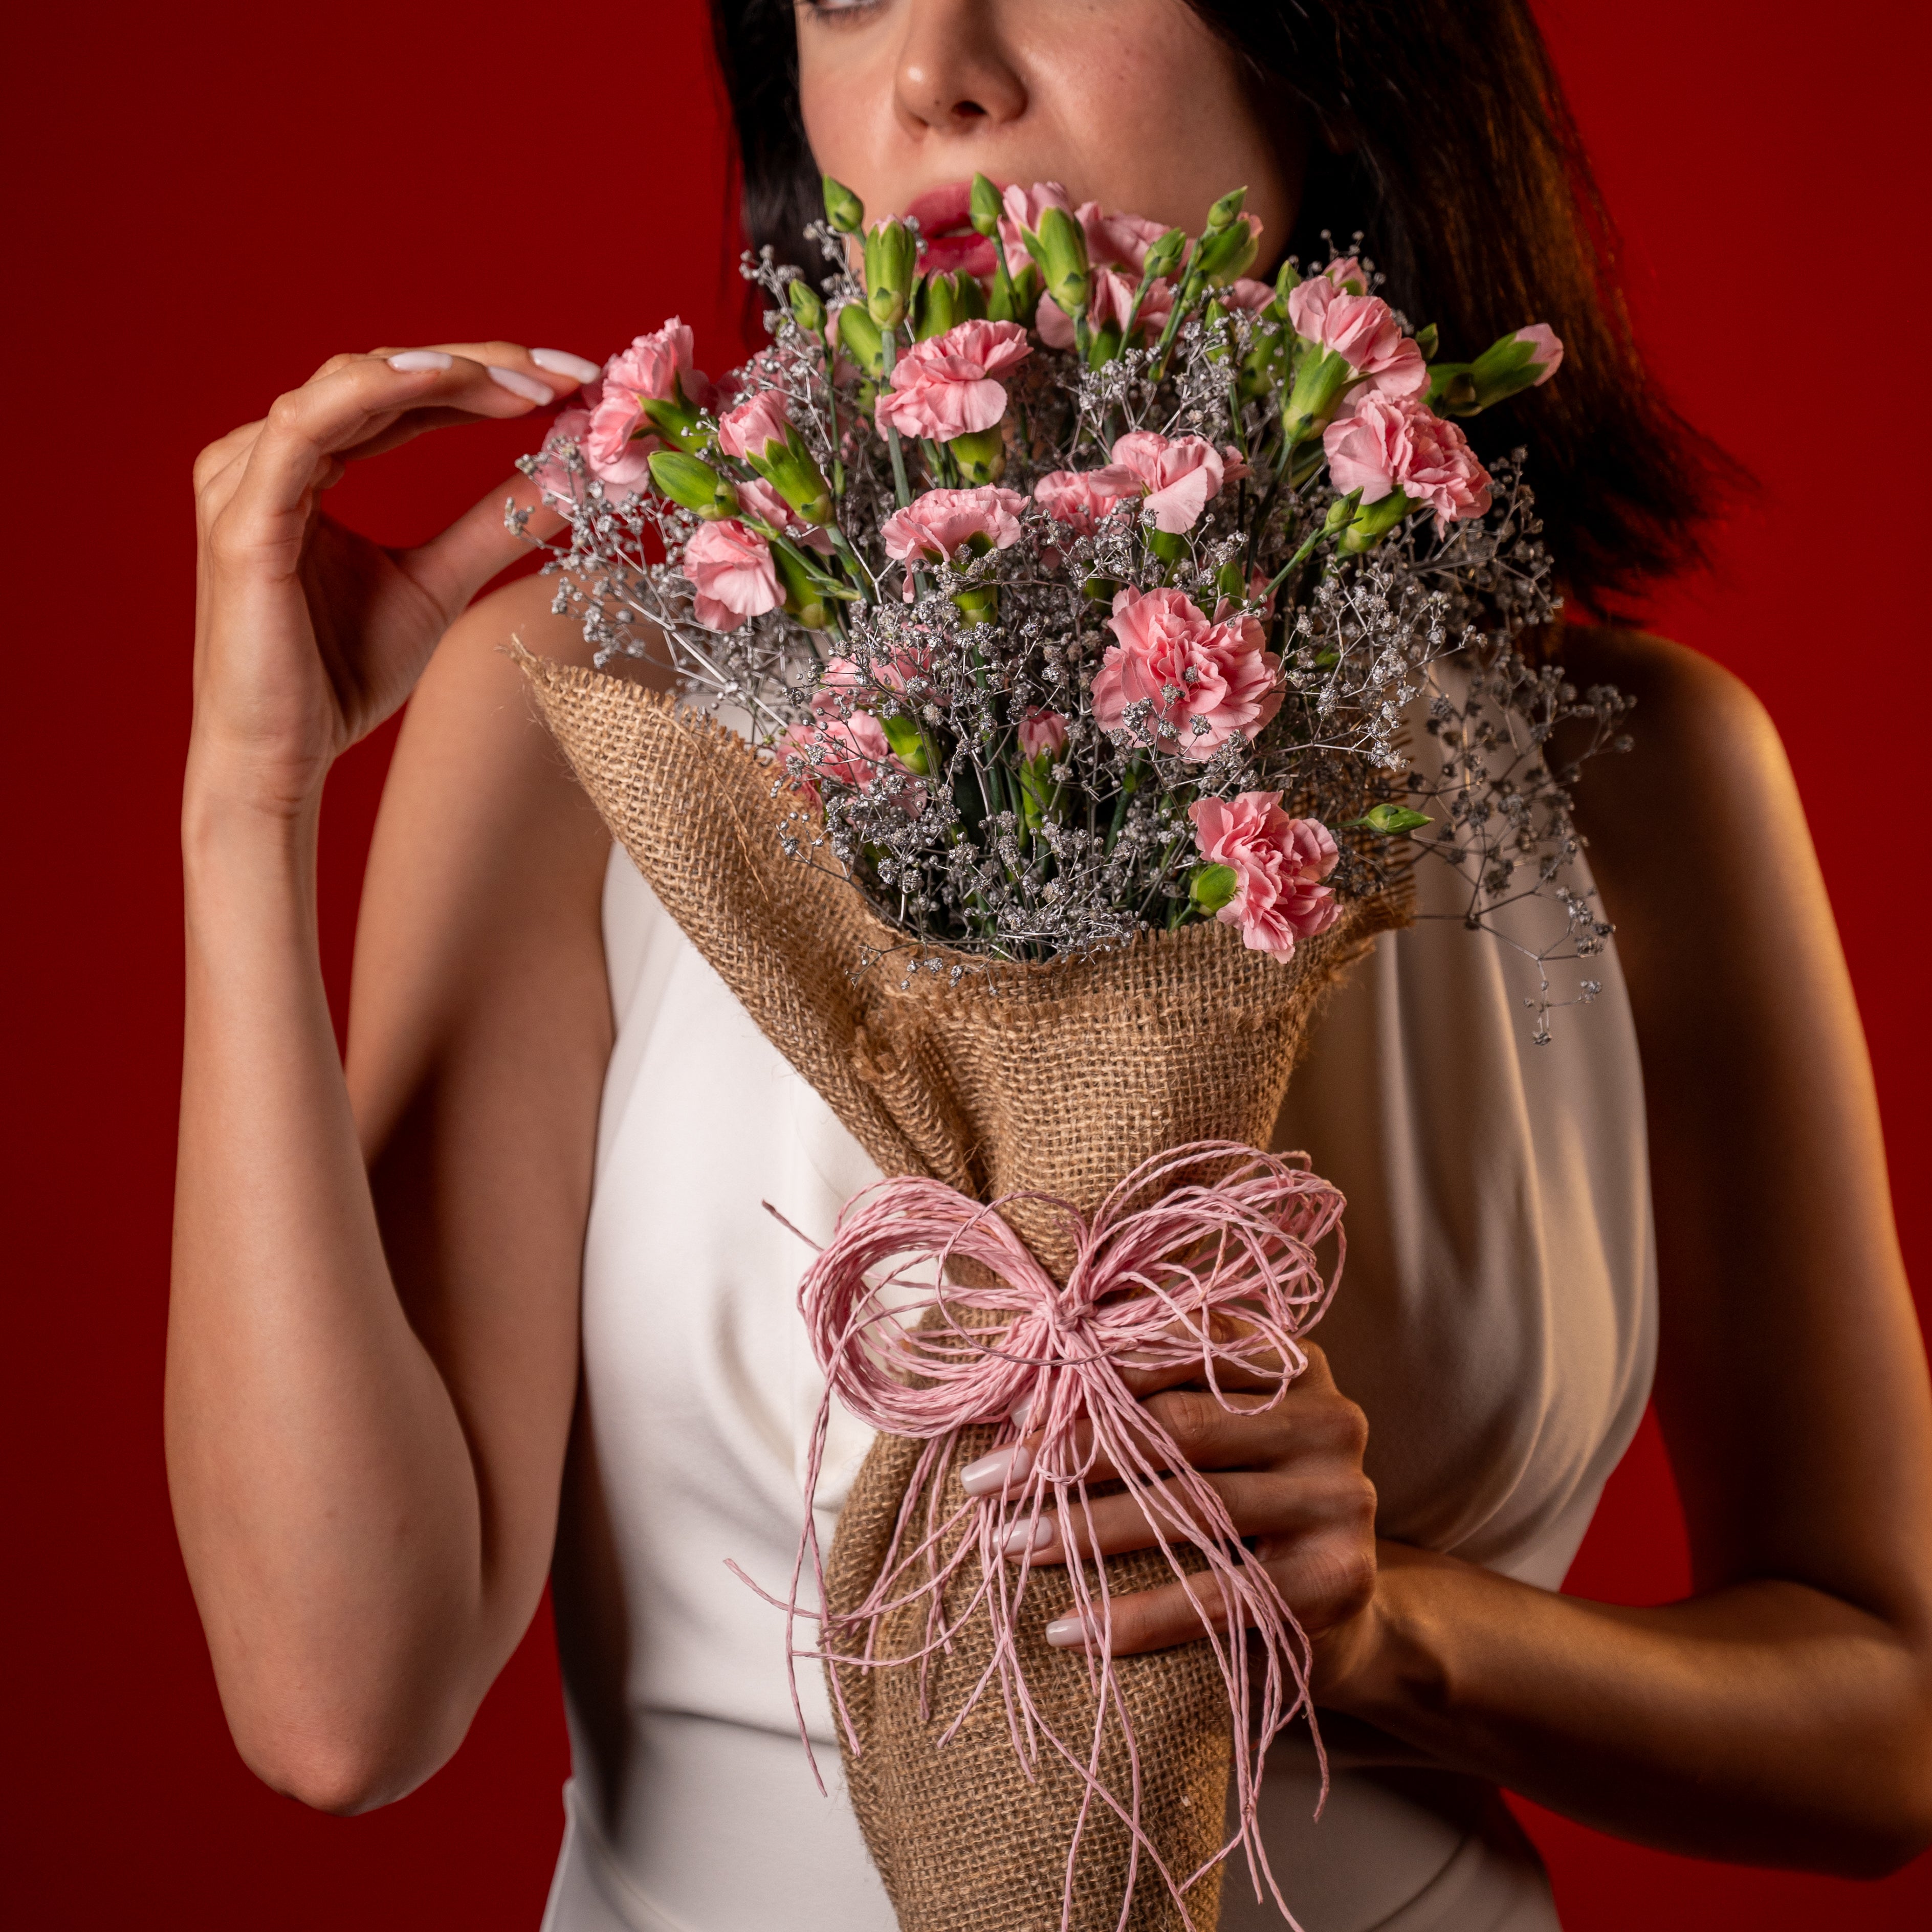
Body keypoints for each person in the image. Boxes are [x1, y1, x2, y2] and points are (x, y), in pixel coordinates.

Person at [169, 2, 1932, 1927]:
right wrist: (246, 805)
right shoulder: (591, 726)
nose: (940, 72)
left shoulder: (1638, 775)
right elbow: (343, 1708)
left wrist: (1401, 1637)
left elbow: (1885, 1723)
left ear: (1336, 54)